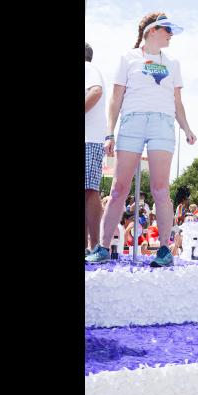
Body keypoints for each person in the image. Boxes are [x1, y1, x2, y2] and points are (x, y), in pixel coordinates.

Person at [86, 12, 196, 266]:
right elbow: (116, 98)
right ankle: (103, 247)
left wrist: (186, 128)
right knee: (118, 188)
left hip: (162, 123)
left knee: (161, 188)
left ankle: (165, 250)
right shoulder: (128, 58)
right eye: (167, 30)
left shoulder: (173, 63)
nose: (171, 35)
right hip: (132, 122)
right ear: (152, 31)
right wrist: (109, 132)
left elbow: (177, 102)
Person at [85, 43, 107, 256]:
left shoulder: (88, 68)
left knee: (90, 190)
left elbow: (96, 91)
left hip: (89, 140)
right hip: (90, 139)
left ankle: (94, 246)